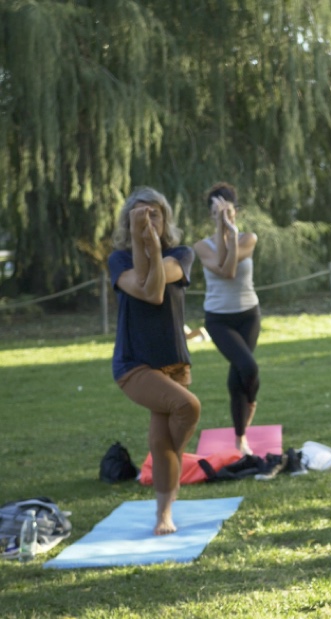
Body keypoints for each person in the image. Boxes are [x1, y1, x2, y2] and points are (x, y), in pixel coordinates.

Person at [108, 187, 201, 535]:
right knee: (187, 408)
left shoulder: (182, 254)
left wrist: (154, 246)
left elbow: (160, 279)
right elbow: (151, 291)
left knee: (161, 443)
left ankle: (164, 514)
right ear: (128, 221)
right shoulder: (118, 260)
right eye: (141, 214)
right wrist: (139, 239)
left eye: (155, 213)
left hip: (175, 362)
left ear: (166, 218)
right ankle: (169, 461)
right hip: (134, 363)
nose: (150, 220)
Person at [194, 183, 261, 456]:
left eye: (228, 211)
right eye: (217, 212)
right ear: (211, 216)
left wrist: (232, 235)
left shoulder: (249, 238)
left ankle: (240, 437)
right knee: (247, 366)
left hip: (249, 315)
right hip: (219, 320)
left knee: (240, 376)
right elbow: (226, 270)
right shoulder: (202, 246)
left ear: (236, 211)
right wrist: (224, 233)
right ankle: (245, 422)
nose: (223, 216)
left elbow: (233, 263)